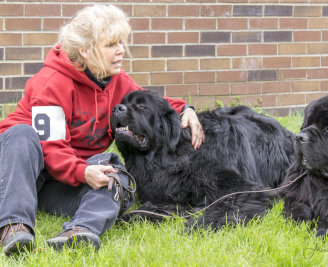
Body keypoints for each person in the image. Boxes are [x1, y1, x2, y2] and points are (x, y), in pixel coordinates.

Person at [0, 4, 204, 255]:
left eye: (122, 42)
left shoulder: (115, 80)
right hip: (22, 174)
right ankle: (14, 227)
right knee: (22, 134)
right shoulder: (51, 82)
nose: (122, 51)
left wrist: (186, 110)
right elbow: (50, 149)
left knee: (116, 174)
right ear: (84, 50)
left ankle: (79, 230)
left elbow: (151, 103)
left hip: (62, 181)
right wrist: (83, 171)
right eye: (111, 45)